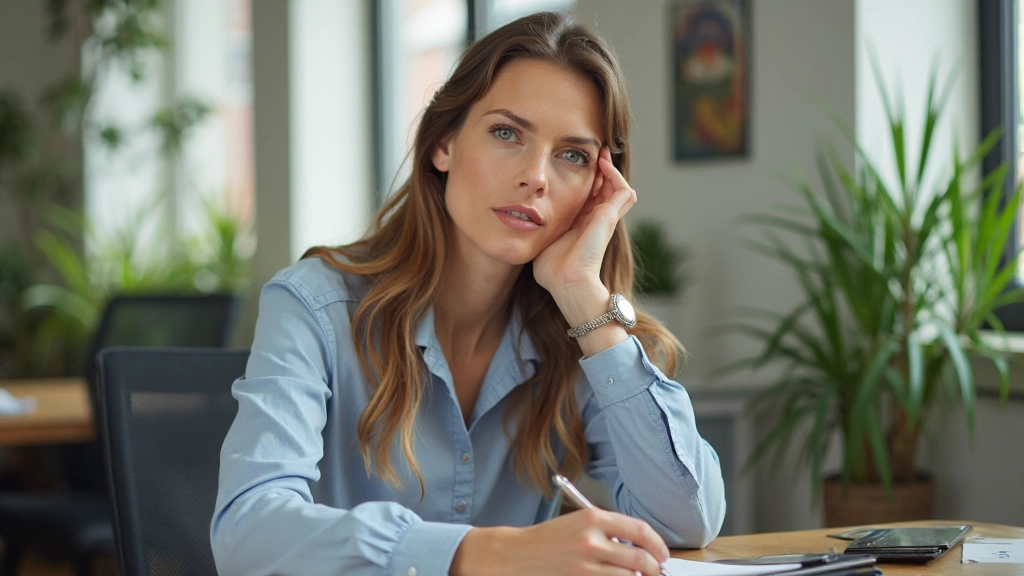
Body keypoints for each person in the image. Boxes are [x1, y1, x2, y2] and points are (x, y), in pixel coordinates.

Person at [211, 11, 726, 576]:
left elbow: (688, 520)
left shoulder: (577, 335)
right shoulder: (313, 306)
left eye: (573, 155)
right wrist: (478, 553)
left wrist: (585, 299)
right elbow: (248, 530)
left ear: (599, 190)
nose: (537, 177)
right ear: (443, 144)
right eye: (507, 133)